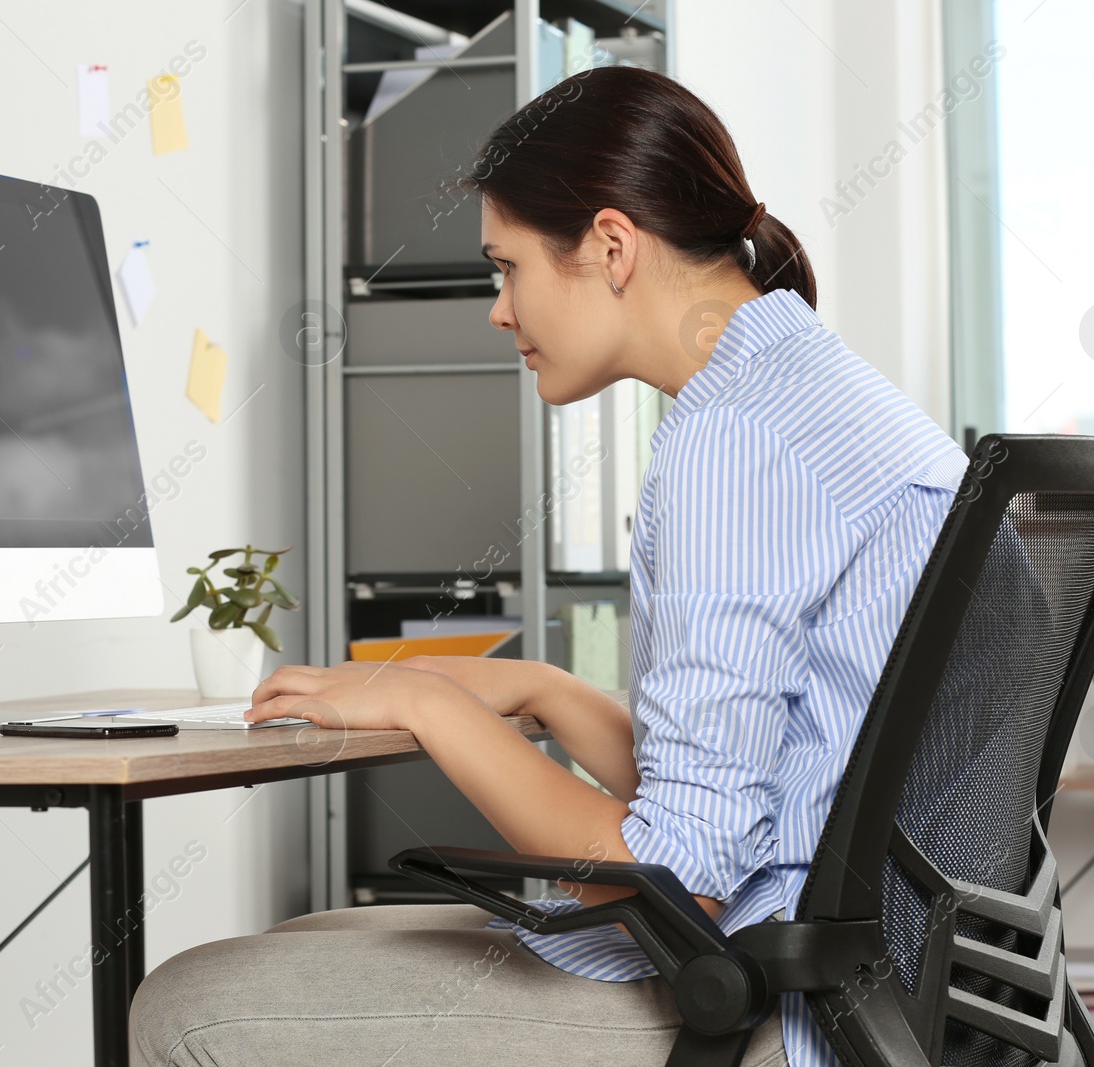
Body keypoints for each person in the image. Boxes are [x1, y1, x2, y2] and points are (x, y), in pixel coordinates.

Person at [130, 64, 966, 1067]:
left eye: (507, 265)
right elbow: (775, 785)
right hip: (876, 974)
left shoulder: (731, 441)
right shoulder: (821, 392)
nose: (496, 307)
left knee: (186, 1001)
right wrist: (548, 689)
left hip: (764, 996)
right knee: (300, 948)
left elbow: (676, 872)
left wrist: (428, 709)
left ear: (610, 246)